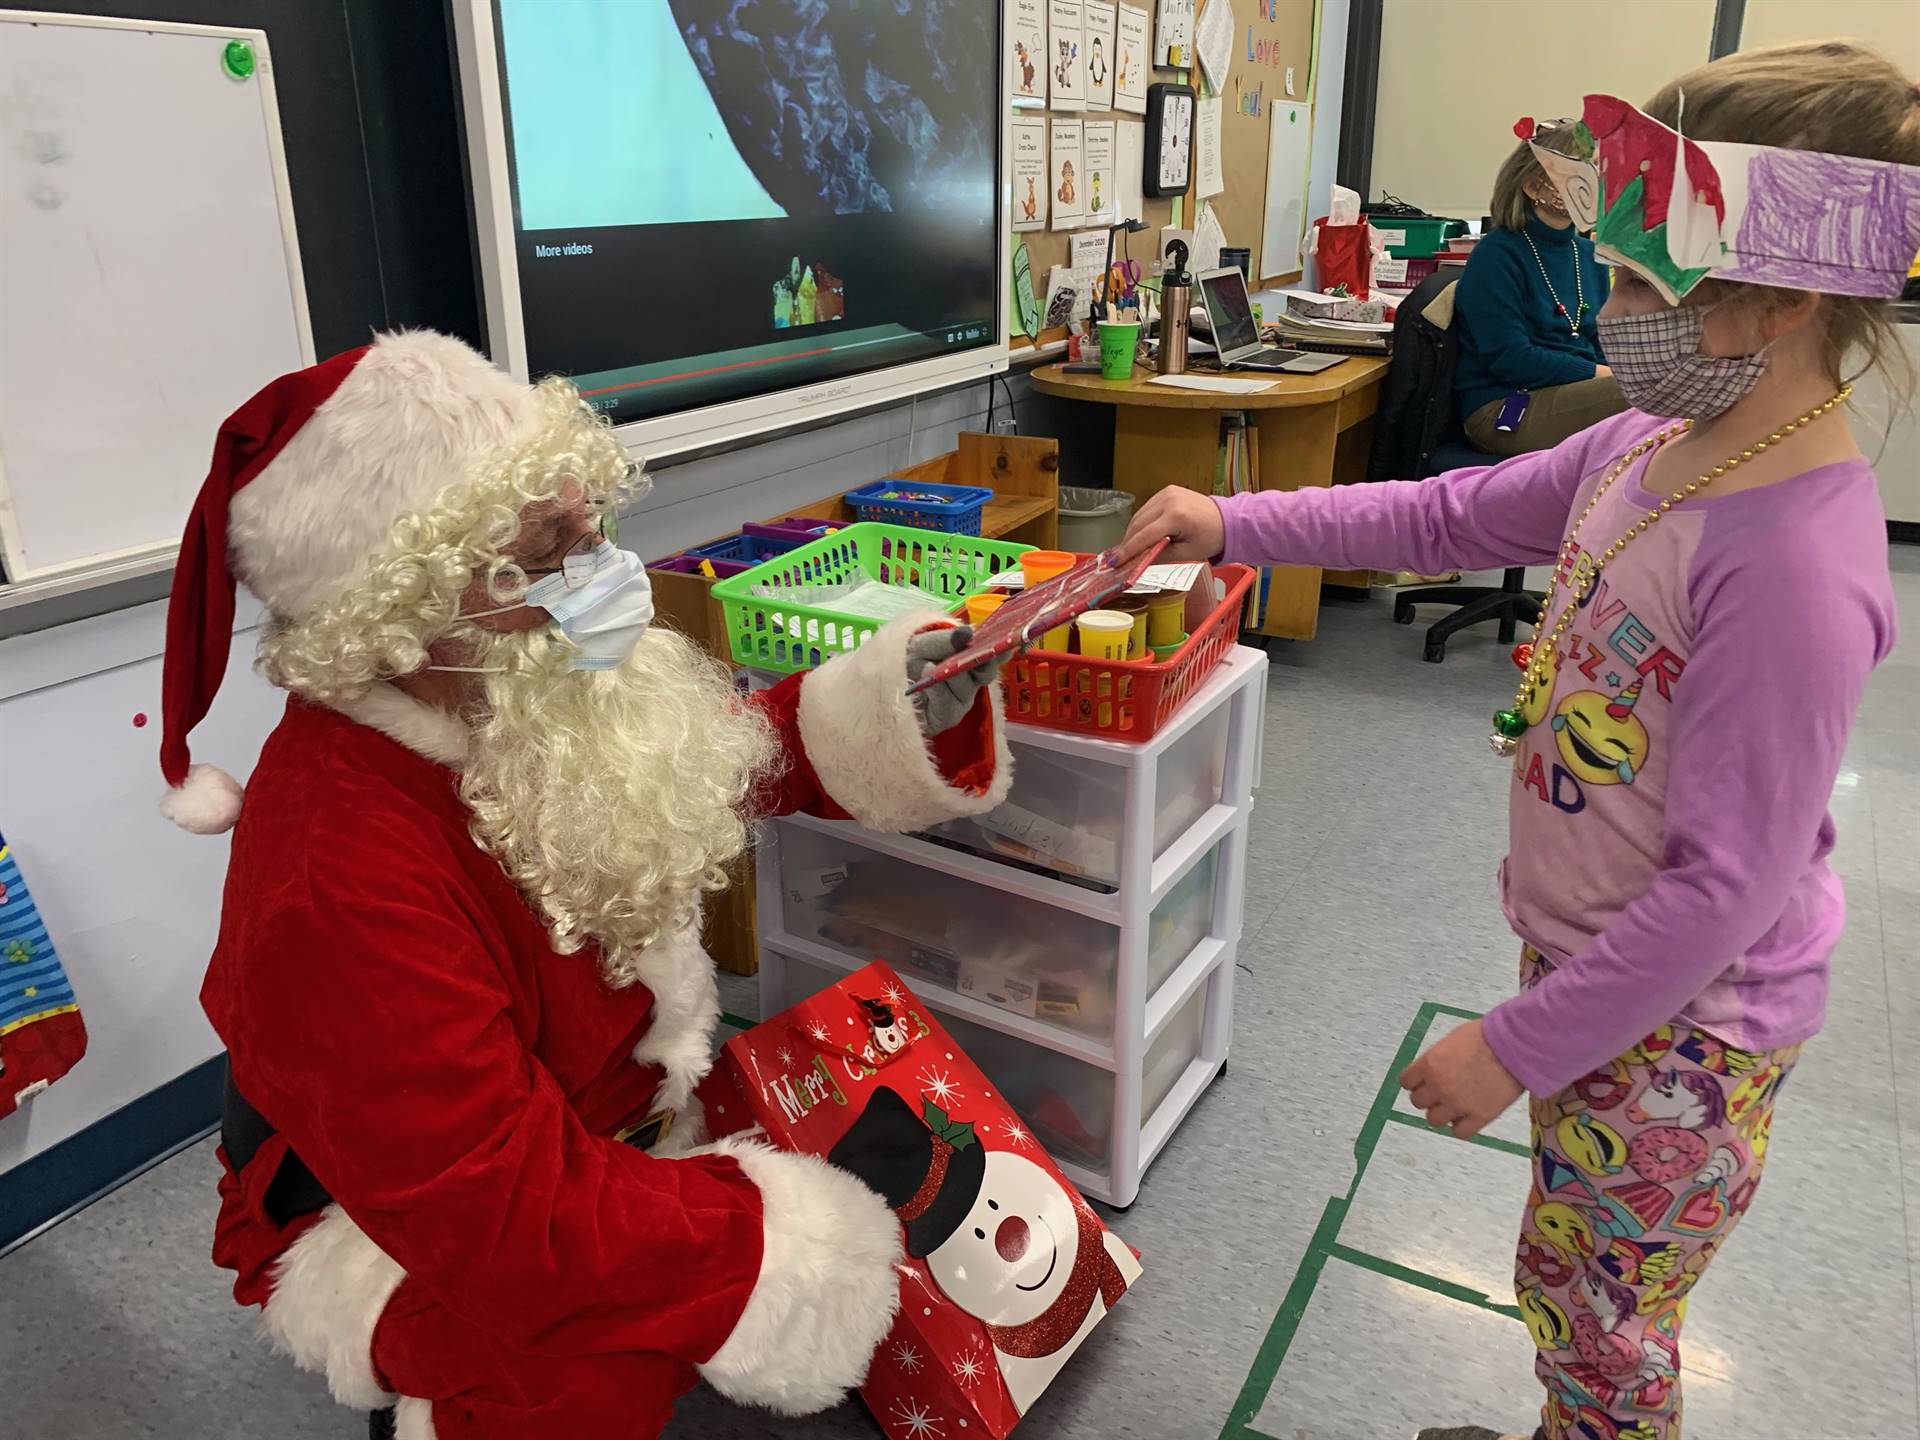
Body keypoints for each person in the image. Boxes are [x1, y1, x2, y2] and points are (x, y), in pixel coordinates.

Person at [1118, 40, 1920, 1440]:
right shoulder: (1645, 447)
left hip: (1687, 1036)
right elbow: (1440, 519)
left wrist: (1518, 1044)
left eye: (1633, 285)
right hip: (1606, 975)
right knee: (1569, 1277)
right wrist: (1234, 519)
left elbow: (1724, 889)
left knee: (1606, 1325)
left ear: (1780, 296)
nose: (1603, 316)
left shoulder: (1795, 567)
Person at [159, 330, 1015, 1439]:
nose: (606, 572)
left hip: (581, 1111)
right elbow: (501, 1214)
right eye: (547, 553)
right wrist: (779, 1245)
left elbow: (674, 771)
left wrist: (886, 700)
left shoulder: (509, 686)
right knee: (574, 1384)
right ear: (403, 612)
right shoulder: (333, 869)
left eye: (590, 525)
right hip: (387, 1211)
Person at [1454, 127, 1624, 456]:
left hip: (1576, 391)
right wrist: (1601, 375)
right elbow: (1510, 358)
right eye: (1580, 172)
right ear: (1533, 185)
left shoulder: (1589, 255)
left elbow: (1600, 342)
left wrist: (1612, 371)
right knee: (1643, 395)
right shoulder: (1497, 253)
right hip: (1503, 407)